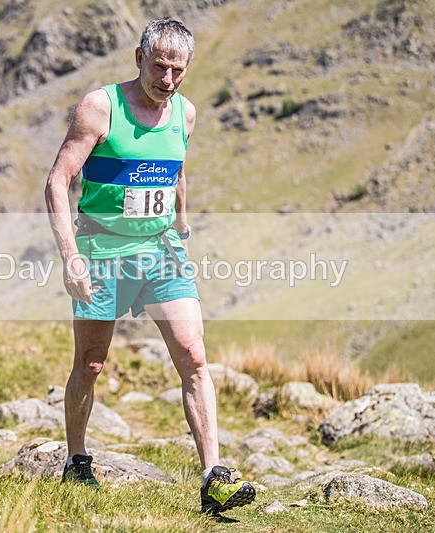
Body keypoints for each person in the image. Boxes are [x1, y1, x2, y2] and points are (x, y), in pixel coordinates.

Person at [44, 18, 255, 514]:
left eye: (177, 70)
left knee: (194, 357)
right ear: (139, 59)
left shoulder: (186, 112)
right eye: (159, 66)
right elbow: (58, 180)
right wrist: (70, 255)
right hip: (102, 250)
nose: (168, 79)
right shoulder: (101, 107)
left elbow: (176, 168)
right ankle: (77, 462)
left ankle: (212, 478)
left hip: (161, 251)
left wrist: (181, 222)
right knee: (91, 364)